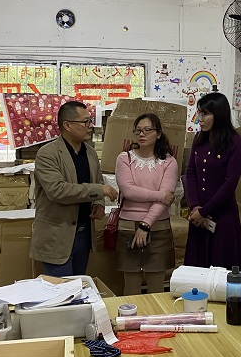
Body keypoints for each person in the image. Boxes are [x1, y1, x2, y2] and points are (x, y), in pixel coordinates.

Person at [30, 101, 118, 277]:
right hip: (57, 237)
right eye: (85, 122)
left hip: (84, 234)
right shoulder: (48, 154)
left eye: (90, 121)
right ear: (67, 125)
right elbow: (57, 191)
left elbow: (97, 180)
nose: (90, 126)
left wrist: (98, 203)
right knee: (61, 290)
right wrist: (100, 190)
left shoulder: (90, 152)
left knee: (78, 286)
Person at [115, 113, 178, 295]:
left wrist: (145, 224)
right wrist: (160, 195)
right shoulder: (124, 158)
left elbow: (166, 201)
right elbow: (128, 191)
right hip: (128, 226)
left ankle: (154, 316)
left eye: (147, 130)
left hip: (158, 225)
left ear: (158, 134)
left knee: (156, 285)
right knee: (131, 285)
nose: (142, 134)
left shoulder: (169, 162)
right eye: (138, 131)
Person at [184, 92, 241, 270]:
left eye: (205, 114)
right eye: (199, 114)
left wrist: (205, 211)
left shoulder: (235, 142)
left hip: (222, 215)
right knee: (197, 269)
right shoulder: (199, 139)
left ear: (218, 115)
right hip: (197, 215)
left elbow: (230, 183)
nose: (200, 119)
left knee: (221, 268)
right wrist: (195, 207)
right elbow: (190, 173)